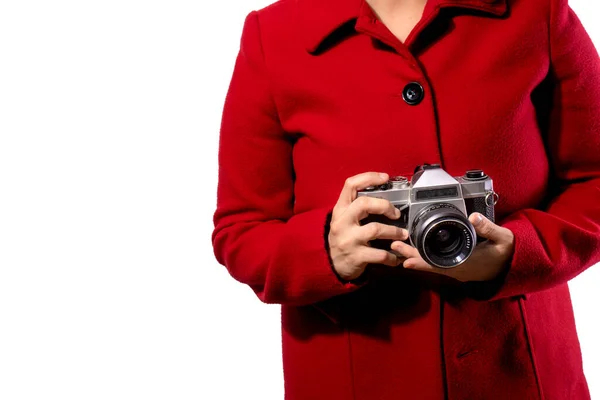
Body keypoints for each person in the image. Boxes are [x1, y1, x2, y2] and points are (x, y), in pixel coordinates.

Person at [211, 0, 600, 398]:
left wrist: (521, 252)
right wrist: (325, 251)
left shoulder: (537, 12)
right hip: (349, 378)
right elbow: (240, 231)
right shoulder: (275, 34)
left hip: (518, 373)